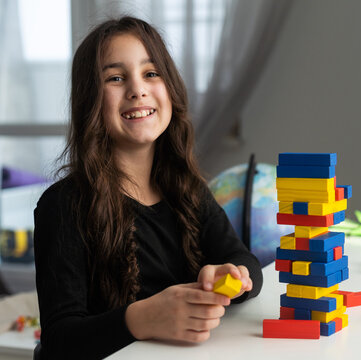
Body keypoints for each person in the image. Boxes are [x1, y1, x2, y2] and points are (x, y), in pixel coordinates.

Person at [33, 16, 263, 359]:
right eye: (115, 78)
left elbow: (245, 262)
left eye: (151, 73)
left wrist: (232, 276)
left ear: (170, 87)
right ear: (90, 101)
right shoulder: (63, 205)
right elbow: (59, 342)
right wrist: (140, 319)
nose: (137, 89)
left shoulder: (188, 190)